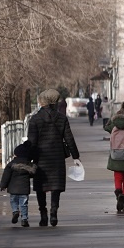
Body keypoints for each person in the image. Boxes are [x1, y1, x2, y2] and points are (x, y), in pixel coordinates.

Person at [27, 89, 81, 226]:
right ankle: (54, 213)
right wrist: (76, 156)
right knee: (55, 187)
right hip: (57, 157)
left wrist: (28, 159)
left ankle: (43, 214)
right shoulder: (62, 119)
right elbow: (69, 138)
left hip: (40, 158)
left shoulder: (35, 119)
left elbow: (31, 142)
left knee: (41, 187)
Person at [0, 140, 36, 227]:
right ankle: (24, 219)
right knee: (24, 204)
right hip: (24, 189)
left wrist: (3, 185)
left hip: (13, 188)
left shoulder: (11, 164)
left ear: (16, 154)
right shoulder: (29, 165)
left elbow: (6, 176)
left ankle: (15, 211)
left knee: (13, 201)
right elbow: (33, 173)